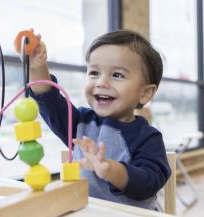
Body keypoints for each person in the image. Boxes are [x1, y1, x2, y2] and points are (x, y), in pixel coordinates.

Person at [27, 29, 171, 210]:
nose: (101, 82)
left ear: (144, 93)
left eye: (117, 75)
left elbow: (149, 183)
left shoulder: (148, 137)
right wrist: (37, 67)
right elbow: (50, 101)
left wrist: (110, 170)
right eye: (94, 72)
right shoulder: (80, 122)